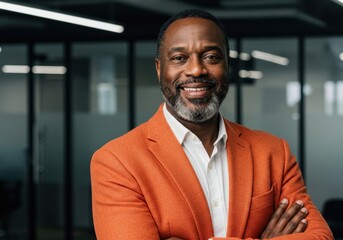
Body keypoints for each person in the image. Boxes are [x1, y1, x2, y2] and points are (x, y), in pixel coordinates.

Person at [91, 9, 333, 239]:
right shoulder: (117, 161)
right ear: (159, 69)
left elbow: (320, 237)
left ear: (227, 66)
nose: (196, 70)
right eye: (179, 58)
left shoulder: (273, 153)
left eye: (211, 57)